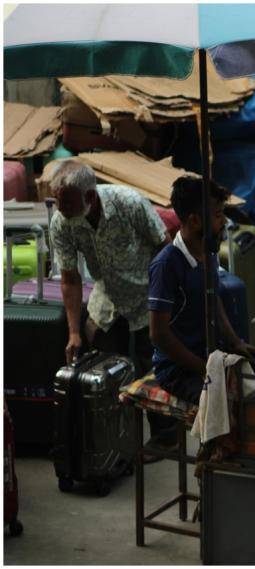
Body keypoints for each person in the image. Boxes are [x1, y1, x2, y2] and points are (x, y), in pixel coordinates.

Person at [49, 160, 176, 457]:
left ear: (90, 197)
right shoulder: (62, 221)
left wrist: (165, 304)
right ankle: (114, 440)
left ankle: (165, 437)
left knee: (154, 365)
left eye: (66, 201)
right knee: (106, 369)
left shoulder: (129, 203)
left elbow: (165, 248)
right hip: (108, 297)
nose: (60, 207)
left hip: (147, 294)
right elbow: (69, 278)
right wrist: (73, 331)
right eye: (57, 200)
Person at [148, 176, 255, 405]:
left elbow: (213, 296)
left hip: (208, 356)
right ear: (195, 220)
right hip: (177, 369)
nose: (224, 222)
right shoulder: (167, 265)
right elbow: (158, 334)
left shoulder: (207, 251)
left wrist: (236, 342)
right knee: (225, 408)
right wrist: (204, 369)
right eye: (218, 215)